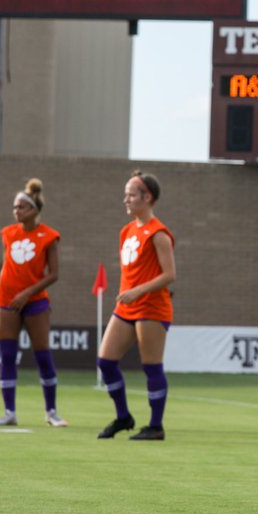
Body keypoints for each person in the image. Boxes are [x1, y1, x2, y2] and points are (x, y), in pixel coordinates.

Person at [96, 170, 177, 441]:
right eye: (126, 194)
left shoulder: (159, 233)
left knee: (151, 366)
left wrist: (137, 291)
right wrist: (127, 295)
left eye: (131, 194)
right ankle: (123, 417)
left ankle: (156, 426)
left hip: (152, 307)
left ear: (148, 197)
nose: (126, 200)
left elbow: (169, 275)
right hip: (127, 307)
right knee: (105, 361)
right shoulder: (127, 231)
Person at [0, 179, 66, 427]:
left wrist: (27, 293)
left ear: (34, 210)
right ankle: (9, 412)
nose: (17, 211)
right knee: (7, 355)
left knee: (42, 355)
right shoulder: (8, 233)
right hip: (6, 301)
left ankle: (51, 412)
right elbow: (6, 265)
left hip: (35, 302)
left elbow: (54, 274)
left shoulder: (49, 236)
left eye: (22, 207)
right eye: (15, 207)